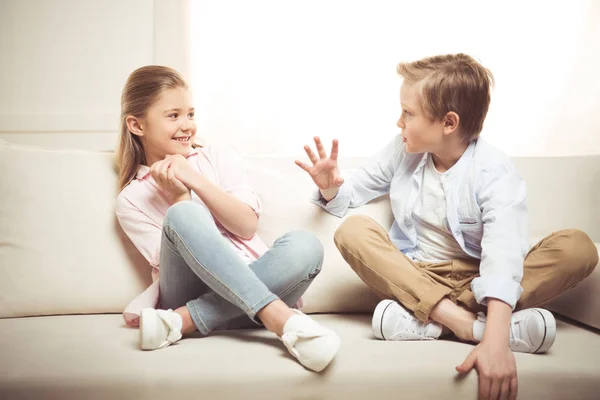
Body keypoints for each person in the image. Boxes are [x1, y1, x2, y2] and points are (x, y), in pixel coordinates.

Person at [296, 53, 598, 395]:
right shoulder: (404, 149)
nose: (399, 122)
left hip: (478, 284)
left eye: (408, 113)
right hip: (418, 277)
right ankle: (466, 326)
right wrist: (330, 185)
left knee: (578, 248)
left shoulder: (493, 171)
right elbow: (350, 194)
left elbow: (503, 254)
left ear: (448, 123)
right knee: (353, 232)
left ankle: (432, 322)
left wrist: (496, 344)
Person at [115, 65, 340, 372]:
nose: (186, 125)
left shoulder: (218, 157)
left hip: (252, 280)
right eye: (173, 115)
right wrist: (179, 197)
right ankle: (276, 315)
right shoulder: (130, 200)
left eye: (190, 114)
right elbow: (173, 260)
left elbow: (246, 226)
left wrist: (193, 179)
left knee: (306, 245)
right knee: (183, 213)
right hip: (188, 291)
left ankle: (185, 322)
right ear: (136, 125)